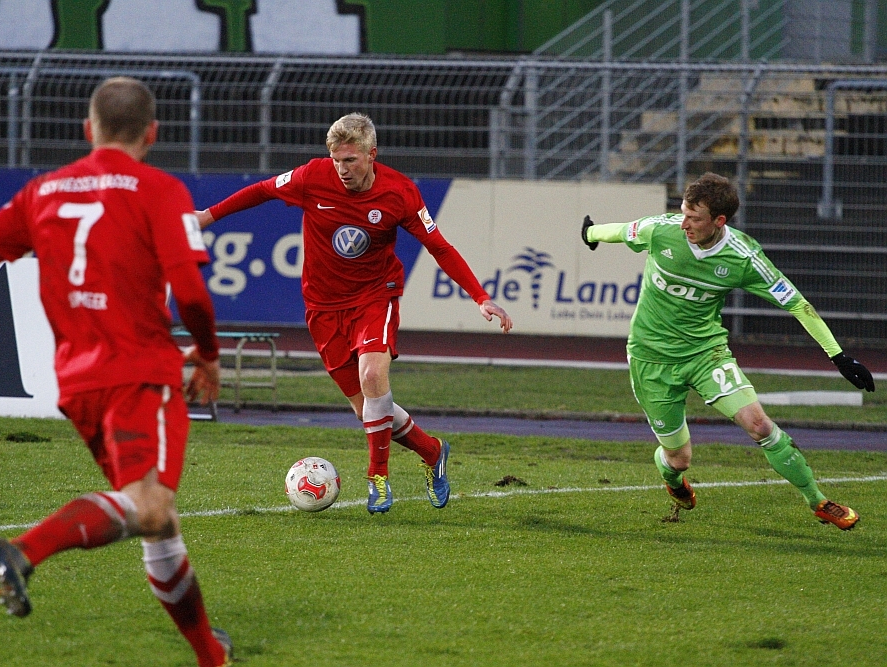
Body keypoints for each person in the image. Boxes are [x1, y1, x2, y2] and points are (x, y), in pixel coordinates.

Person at [0, 77, 232, 666]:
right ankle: (23, 550)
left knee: (158, 521)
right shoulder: (161, 189)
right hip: (139, 373)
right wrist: (208, 353)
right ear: (152, 134)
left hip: (78, 383)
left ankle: (210, 655)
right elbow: (193, 294)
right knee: (149, 508)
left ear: (87, 128)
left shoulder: (41, 192)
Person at [196, 112, 512, 514]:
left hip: (375, 296)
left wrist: (480, 297)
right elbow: (261, 190)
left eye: (350, 160)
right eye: (336, 160)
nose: (342, 169)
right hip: (323, 306)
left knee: (373, 375)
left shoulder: (400, 192)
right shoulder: (313, 176)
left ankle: (377, 477)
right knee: (368, 410)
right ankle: (433, 452)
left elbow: (440, 247)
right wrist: (207, 216)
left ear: (371, 154)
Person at [581, 172, 875, 530]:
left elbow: (797, 303)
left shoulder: (743, 257)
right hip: (650, 359)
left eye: (694, 218)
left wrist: (838, 356)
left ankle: (819, 501)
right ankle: (673, 480)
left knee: (759, 425)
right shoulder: (660, 230)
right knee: (679, 458)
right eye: (683, 213)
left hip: (707, 354)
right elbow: (619, 231)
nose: (684, 223)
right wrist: (590, 233)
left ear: (719, 220)